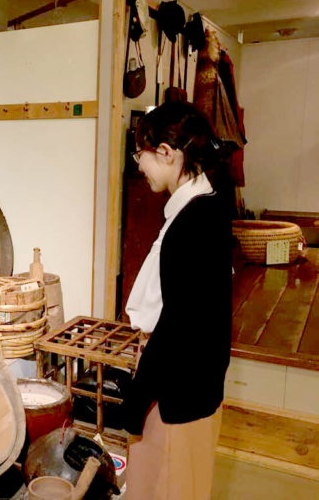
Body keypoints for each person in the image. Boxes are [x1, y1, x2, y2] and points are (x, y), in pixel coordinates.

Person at [122, 101, 232, 500]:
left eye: (142, 154)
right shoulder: (207, 203)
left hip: (178, 390)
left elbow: (178, 327)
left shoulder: (193, 223)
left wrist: (136, 398)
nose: (140, 165)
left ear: (167, 153)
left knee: (168, 487)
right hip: (192, 385)